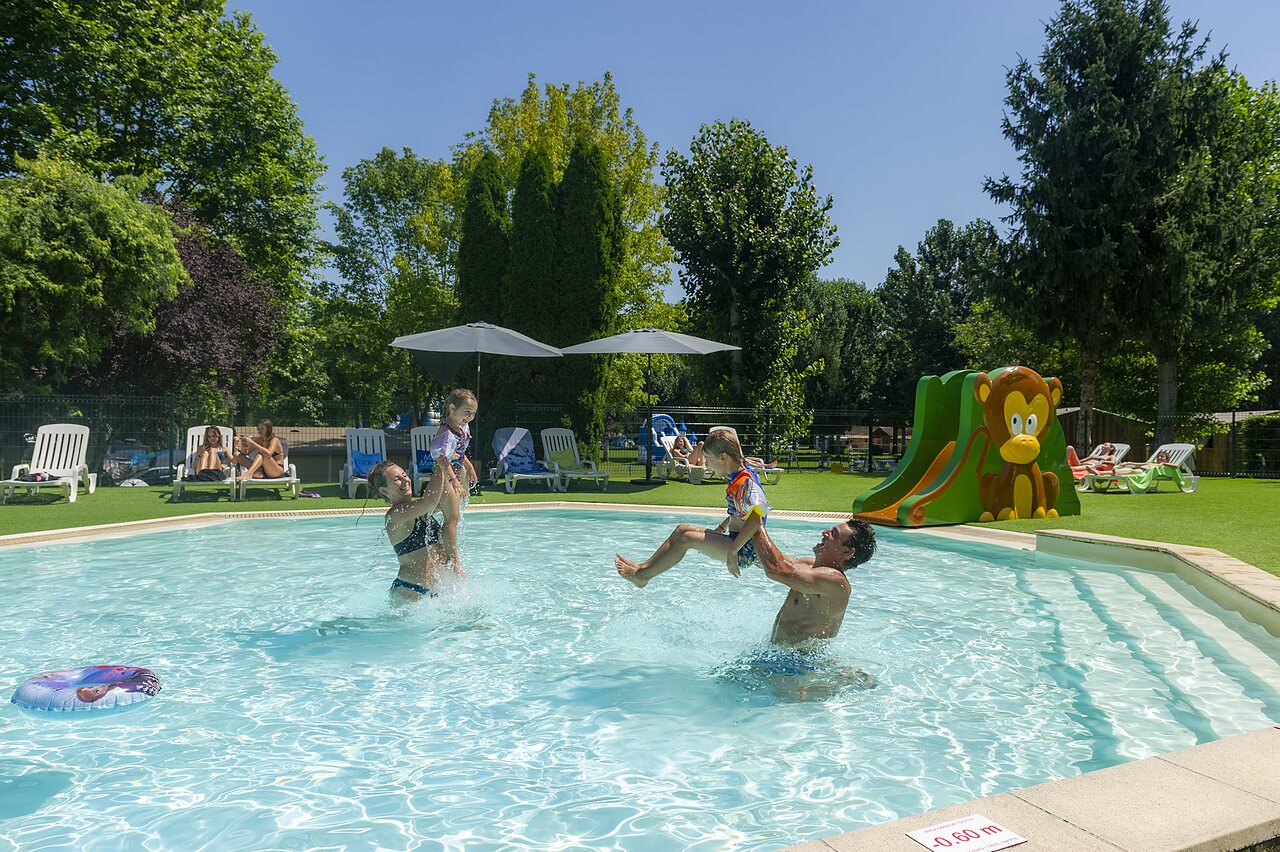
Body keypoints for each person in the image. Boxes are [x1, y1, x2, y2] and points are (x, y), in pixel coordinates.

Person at [616, 429, 770, 586]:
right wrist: (721, 528)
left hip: (743, 550)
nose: (707, 464)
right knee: (681, 529)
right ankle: (642, 568)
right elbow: (740, 512)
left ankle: (642, 577)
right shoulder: (738, 476)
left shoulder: (745, 482)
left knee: (687, 538)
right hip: (737, 541)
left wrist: (732, 551)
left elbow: (756, 518)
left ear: (723, 458)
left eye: (708, 459)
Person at [749, 520, 876, 645]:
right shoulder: (808, 565)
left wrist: (756, 523)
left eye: (834, 534)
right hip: (777, 651)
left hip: (801, 657)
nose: (825, 533)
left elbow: (776, 569)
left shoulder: (835, 581)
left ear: (846, 552)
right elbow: (765, 559)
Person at [367, 459, 463, 601]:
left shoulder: (420, 510)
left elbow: (450, 509)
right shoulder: (394, 516)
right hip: (410, 590)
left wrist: (449, 466)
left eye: (404, 475)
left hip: (434, 591)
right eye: (397, 479)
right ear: (384, 490)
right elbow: (429, 501)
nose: (405, 481)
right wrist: (439, 463)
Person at [429, 389, 479, 567]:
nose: (470, 417)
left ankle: (443, 551)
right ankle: (455, 562)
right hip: (444, 478)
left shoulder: (462, 429)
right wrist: (454, 481)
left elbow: (460, 452)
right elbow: (442, 459)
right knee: (452, 518)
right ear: (452, 409)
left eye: (473, 413)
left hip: (454, 476)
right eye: (467, 412)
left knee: (449, 514)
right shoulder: (446, 433)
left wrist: (469, 468)